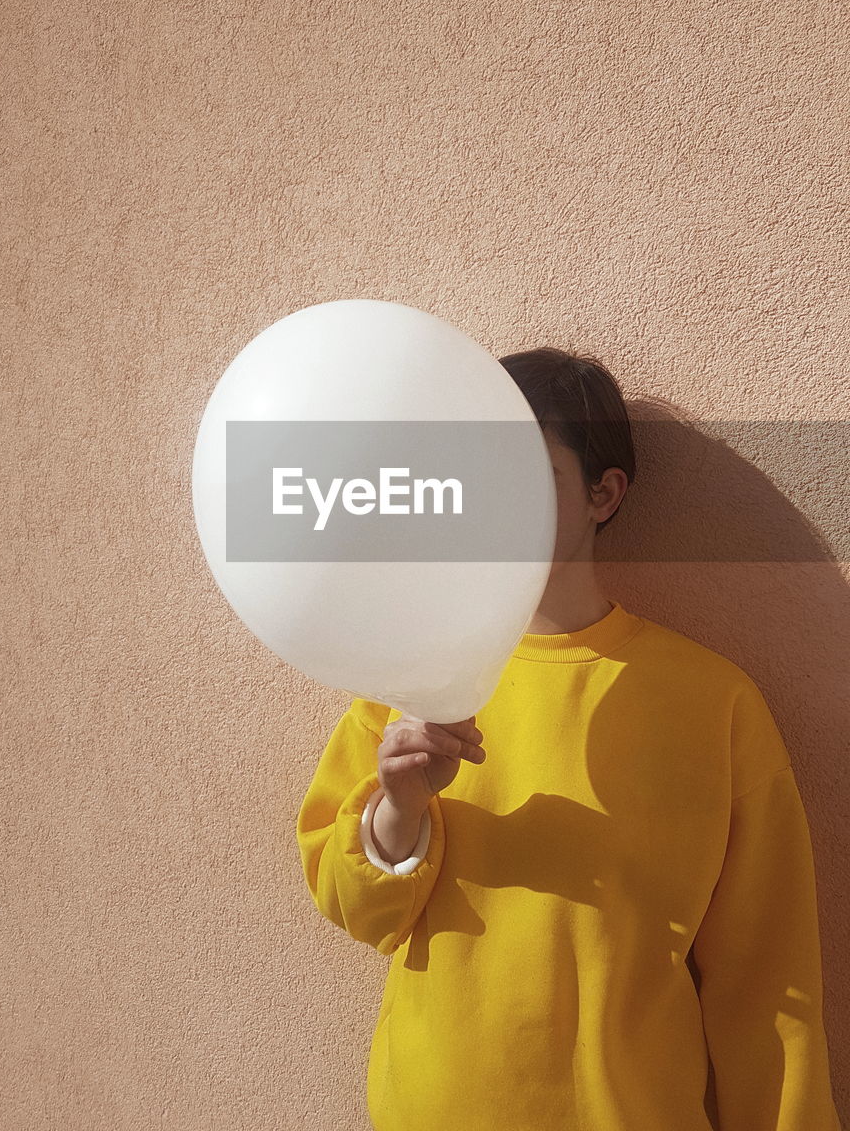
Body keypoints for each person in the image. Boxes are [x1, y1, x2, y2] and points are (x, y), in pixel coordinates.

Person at [295, 347, 842, 1131]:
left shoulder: (714, 704)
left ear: (603, 493)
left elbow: (769, 992)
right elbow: (359, 909)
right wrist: (399, 809)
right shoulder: (411, 674)